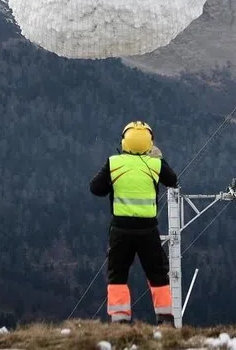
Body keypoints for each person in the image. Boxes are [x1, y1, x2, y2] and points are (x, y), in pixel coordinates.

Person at [90, 120, 179, 325]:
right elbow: (173, 180)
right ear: (150, 143)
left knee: (118, 274)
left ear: (124, 141)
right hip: (148, 230)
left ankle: (119, 319)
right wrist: (160, 159)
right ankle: (165, 318)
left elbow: (95, 188)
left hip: (120, 230)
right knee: (157, 274)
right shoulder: (155, 164)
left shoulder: (114, 163)